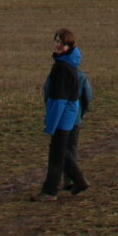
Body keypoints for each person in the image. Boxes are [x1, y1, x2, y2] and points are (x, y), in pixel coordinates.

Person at [41, 28, 93, 198]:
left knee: (57, 154)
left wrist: (51, 123)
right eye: (55, 41)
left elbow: (59, 99)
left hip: (63, 118)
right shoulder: (70, 66)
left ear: (68, 46)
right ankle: (78, 181)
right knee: (63, 152)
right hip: (70, 117)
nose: (56, 45)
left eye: (60, 42)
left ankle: (50, 192)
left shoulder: (62, 68)